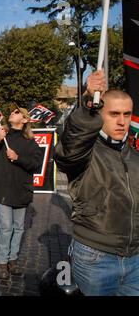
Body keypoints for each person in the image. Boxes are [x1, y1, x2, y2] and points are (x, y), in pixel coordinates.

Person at [54, 70, 139, 296]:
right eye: (114, 114)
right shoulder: (86, 152)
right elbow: (69, 150)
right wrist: (89, 102)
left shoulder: (135, 157)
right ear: (99, 113)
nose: (122, 121)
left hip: (136, 260)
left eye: (127, 114)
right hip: (96, 258)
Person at [0, 105, 42, 279]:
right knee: (6, 228)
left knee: (19, 228)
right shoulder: (2, 135)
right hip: (2, 189)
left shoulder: (31, 142)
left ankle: (12, 260)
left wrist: (18, 158)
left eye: (16, 112)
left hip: (21, 190)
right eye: (12, 111)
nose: (11, 113)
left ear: (25, 119)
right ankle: (2, 263)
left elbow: (36, 164)